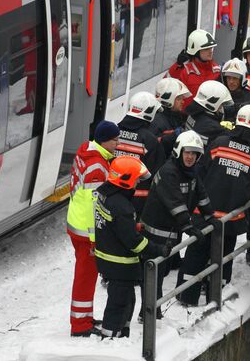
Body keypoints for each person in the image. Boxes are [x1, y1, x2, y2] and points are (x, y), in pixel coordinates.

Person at [177, 104, 250, 305]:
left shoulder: (218, 144)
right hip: (231, 220)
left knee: (195, 255)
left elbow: (200, 173)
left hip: (204, 214)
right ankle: (216, 296)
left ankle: (186, 296)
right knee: (223, 259)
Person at [94, 156, 171, 338]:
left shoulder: (106, 195)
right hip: (120, 264)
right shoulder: (122, 206)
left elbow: (113, 225)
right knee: (120, 302)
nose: (138, 183)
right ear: (125, 180)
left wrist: (132, 226)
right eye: (136, 179)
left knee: (127, 299)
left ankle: (121, 333)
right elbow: (134, 243)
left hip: (107, 259)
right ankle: (110, 338)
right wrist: (159, 250)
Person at [140, 131, 213, 317]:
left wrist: (210, 216)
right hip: (156, 232)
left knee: (161, 272)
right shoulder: (168, 172)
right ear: (179, 152)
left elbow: (200, 193)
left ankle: (151, 310)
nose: (190, 157)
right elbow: (175, 203)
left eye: (194, 154)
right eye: (187, 152)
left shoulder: (191, 171)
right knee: (154, 273)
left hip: (170, 231)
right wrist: (188, 227)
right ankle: (148, 313)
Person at [66, 120, 119, 337]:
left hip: (77, 224)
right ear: (105, 140)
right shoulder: (97, 165)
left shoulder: (88, 152)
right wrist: (95, 236)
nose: (117, 143)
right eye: (115, 140)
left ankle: (84, 317)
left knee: (86, 275)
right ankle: (80, 325)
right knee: (86, 276)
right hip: (86, 230)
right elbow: (92, 204)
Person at [116, 92, 165, 214]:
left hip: (112, 197)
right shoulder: (150, 140)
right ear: (149, 113)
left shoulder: (114, 133)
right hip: (138, 201)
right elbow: (158, 173)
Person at [167, 30, 221, 108]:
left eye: (211, 48)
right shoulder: (185, 71)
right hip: (186, 117)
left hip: (209, 116)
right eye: (206, 49)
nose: (210, 51)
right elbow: (166, 86)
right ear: (196, 51)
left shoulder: (217, 70)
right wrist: (177, 66)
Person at [184, 80, 233, 149]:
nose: (221, 107)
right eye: (220, 104)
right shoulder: (213, 127)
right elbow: (231, 138)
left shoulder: (192, 113)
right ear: (212, 102)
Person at [152, 78, 191, 155]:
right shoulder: (156, 122)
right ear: (168, 100)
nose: (183, 102)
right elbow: (154, 147)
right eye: (179, 99)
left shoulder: (181, 117)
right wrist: (173, 136)